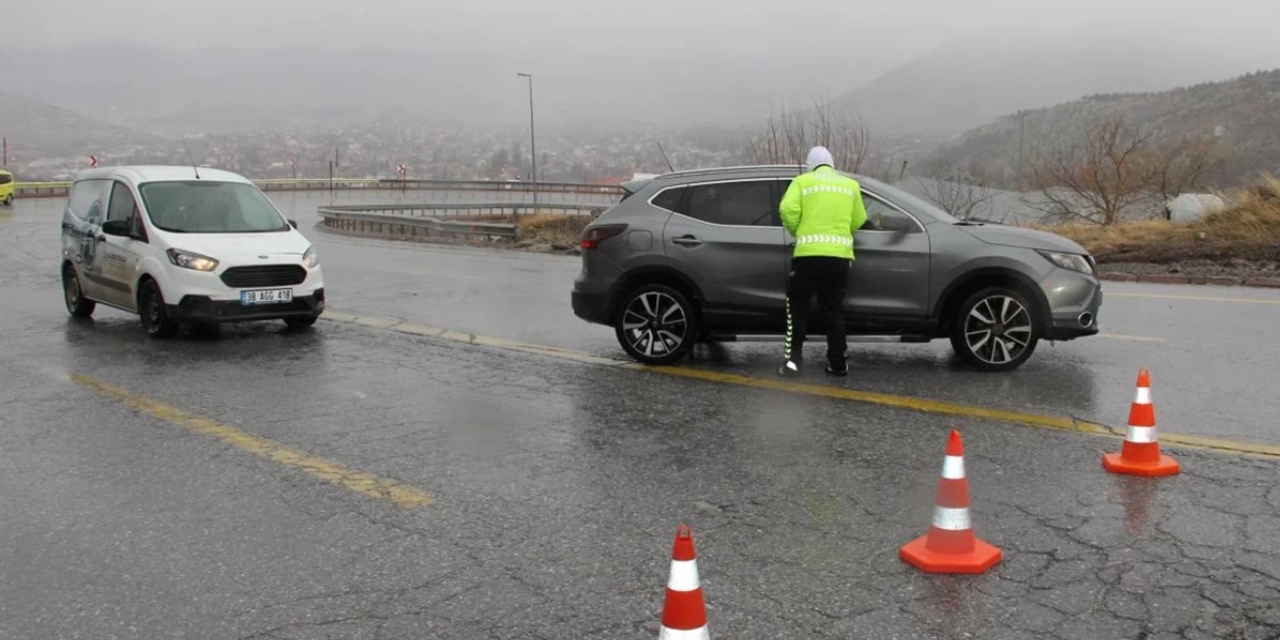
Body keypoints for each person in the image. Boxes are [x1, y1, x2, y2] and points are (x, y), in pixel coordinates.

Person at [777, 146, 868, 377]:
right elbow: (860, 219)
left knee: (797, 310)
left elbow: (787, 209)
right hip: (839, 258)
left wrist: (797, 231)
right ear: (832, 163)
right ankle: (838, 364)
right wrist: (840, 230)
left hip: (807, 256)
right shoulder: (850, 185)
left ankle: (792, 365)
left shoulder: (802, 182)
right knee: (833, 311)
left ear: (810, 164)